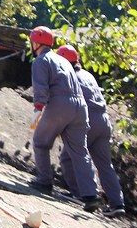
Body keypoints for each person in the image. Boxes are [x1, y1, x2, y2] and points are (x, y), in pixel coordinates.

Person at [27, 26, 100, 212]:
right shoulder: (64, 61)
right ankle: (91, 195)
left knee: (41, 142)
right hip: (80, 107)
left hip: (60, 105)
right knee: (79, 151)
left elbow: (41, 87)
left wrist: (38, 109)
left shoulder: (41, 61)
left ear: (36, 43)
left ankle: (44, 181)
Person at [55, 45, 126, 216]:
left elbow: (68, 102)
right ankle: (117, 204)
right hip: (103, 121)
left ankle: (80, 194)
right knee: (104, 164)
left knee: (67, 157)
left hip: (87, 120)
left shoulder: (69, 76)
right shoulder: (88, 75)